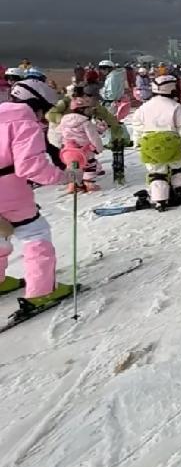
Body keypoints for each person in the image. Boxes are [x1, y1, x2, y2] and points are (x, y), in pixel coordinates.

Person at [0, 78, 71, 307]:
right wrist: (63, 177)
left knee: (0, 234)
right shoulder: (24, 122)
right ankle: (41, 289)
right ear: (36, 105)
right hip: (7, 190)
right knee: (34, 232)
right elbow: (30, 166)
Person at [132, 73, 181, 211]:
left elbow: (137, 128)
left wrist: (138, 145)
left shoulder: (143, 108)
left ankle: (159, 199)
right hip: (172, 145)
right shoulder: (176, 107)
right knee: (179, 168)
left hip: (149, 145)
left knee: (156, 172)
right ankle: (180, 192)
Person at [57, 95, 105, 193]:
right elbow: (93, 136)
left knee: (73, 166)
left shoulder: (64, 120)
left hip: (69, 150)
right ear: (82, 110)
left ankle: (72, 184)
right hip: (84, 150)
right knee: (90, 165)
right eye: (88, 109)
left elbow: (59, 133)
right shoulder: (85, 122)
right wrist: (98, 148)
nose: (89, 111)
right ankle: (88, 183)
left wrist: (61, 145)